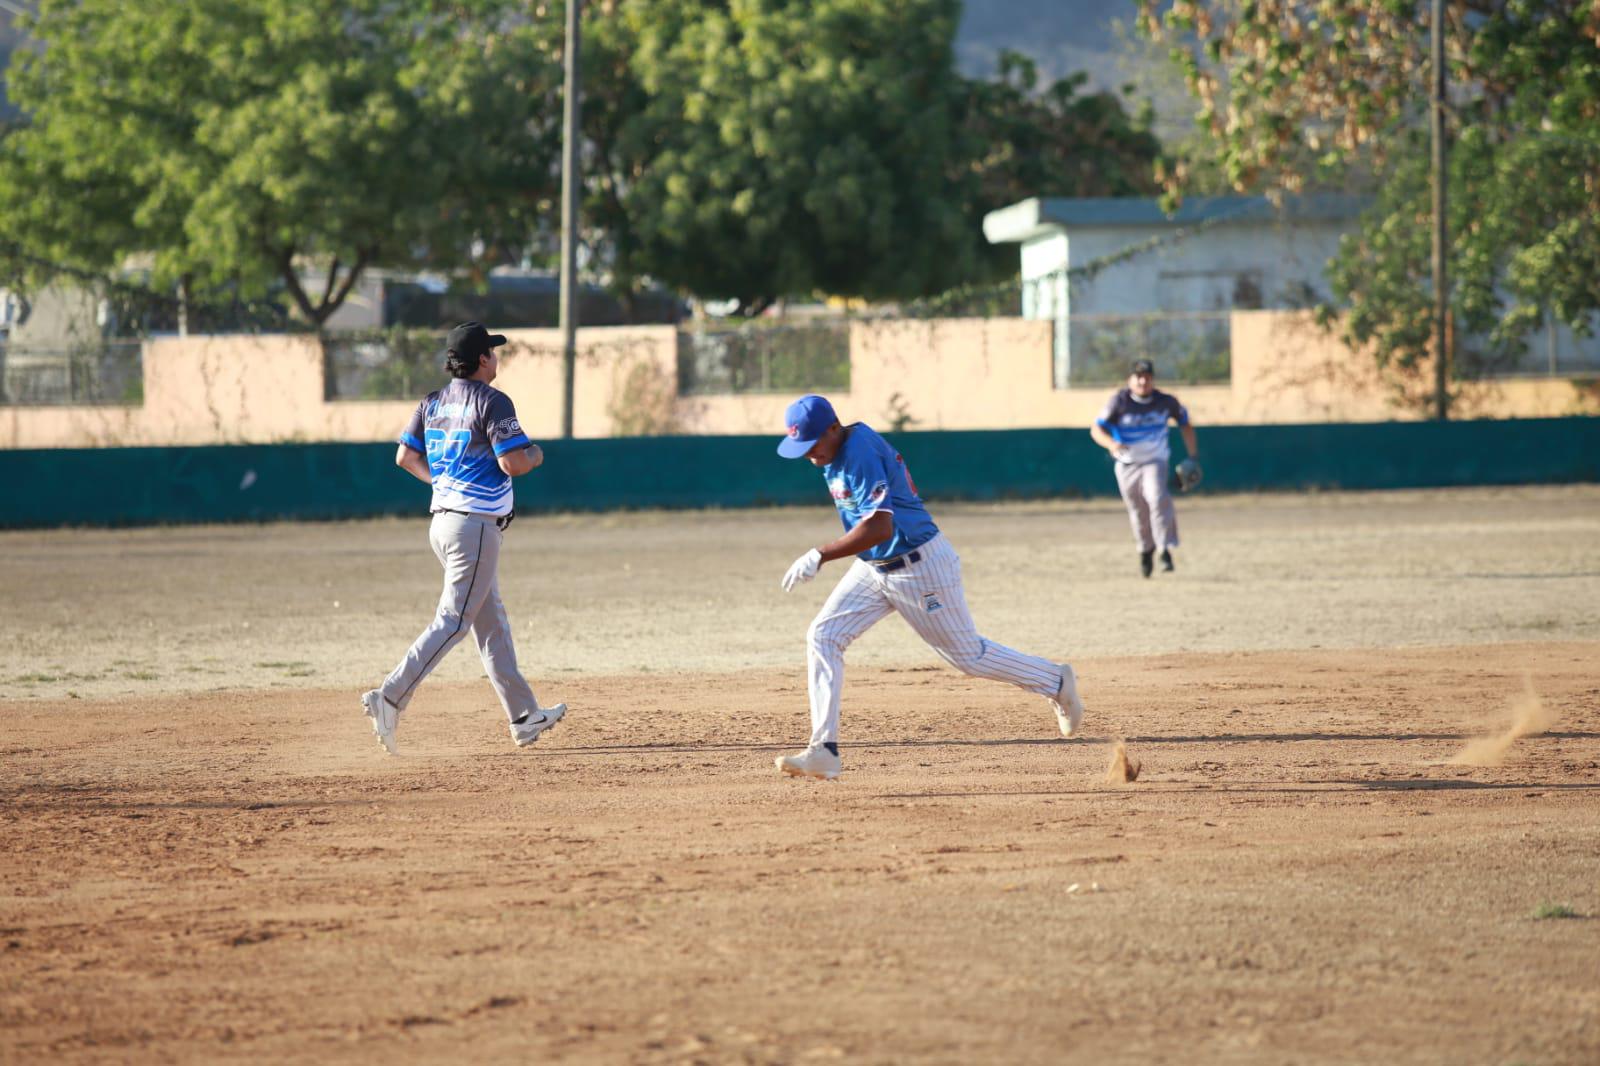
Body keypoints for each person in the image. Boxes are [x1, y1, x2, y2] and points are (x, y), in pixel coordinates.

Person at [773, 394, 1086, 780]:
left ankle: (1055, 680)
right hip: (875, 567)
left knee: (968, 657)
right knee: (824, 635)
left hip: (919, 566)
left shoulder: (859, 452)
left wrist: (820, 554)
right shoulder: (834, 452)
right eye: (801, 447)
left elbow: (880, 527)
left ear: (834, 428)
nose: (808, 454)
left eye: (812, 443)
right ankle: (824, 750)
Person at [360, 322, 566, 754]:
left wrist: (443, 484)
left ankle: (524, 715)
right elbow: (513, 463)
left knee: (490, 624)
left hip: (444, 522)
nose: (496, 356)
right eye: (492, 350)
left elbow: (405, 456)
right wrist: (536, 454)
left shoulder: (432, 401)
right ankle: (390, 697)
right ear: (483, 359)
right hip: (474, 526)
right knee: (453, 621)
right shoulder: (491, 400)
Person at [1089, 358, 1199, 578]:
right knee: (1138, 510)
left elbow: (1185, 424)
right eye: (1138, 377)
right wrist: (1111, 444)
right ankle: (1145, 550)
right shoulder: (1119, 402)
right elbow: (1096, 429)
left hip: (1155, 460)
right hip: (1127, 463)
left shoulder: (1165, 402)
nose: (1142, 381)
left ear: (1153, 379)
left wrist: (1193, 457)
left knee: (1157, 498)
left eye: (1147, 377)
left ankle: (1164, 549)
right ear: (1130, 379)